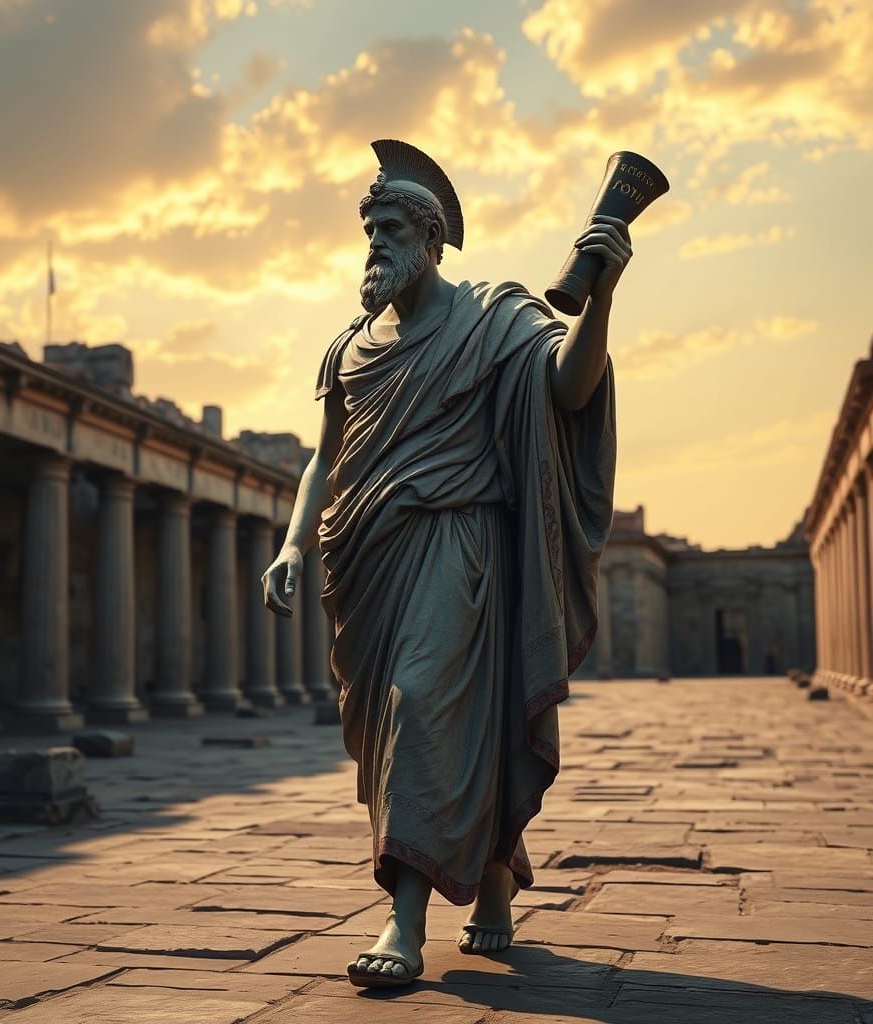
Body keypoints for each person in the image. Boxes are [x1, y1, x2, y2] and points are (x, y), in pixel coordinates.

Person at [262, 139, 628, 988]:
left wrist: (600, 298)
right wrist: (291, 539)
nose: (376, 242)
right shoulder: (347, 347)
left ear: (431, 239)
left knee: (423, 704)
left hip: (459, 546)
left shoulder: (492, 319)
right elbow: (326, 456)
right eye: (369, 227)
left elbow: (570, 390)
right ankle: (495, 875)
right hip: (363, 565)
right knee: (408, 734)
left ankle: (404, 917)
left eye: (391, 225)